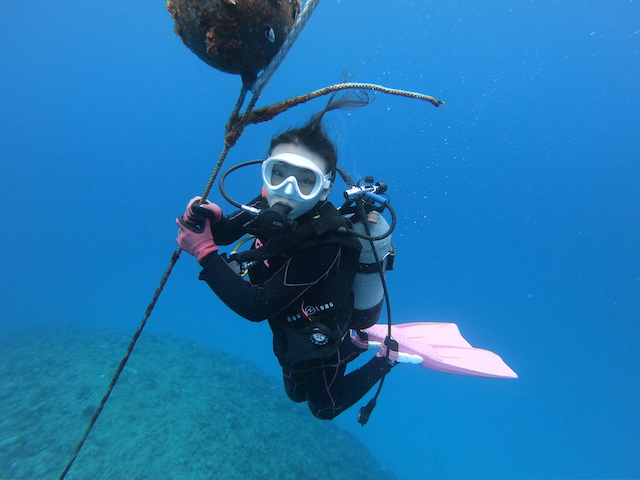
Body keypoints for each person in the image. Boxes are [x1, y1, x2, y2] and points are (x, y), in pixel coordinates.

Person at [176, 98, 411, 420]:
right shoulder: (267, 199)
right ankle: (356, 347)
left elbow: (256, 306)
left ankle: (385, 360)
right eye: (278, 174)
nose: (286, 191)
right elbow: (226, 233)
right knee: (295, 393)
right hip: (287, 327)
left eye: (305, 181)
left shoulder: (327, 243)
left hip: (317, 336)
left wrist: (204, 253)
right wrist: (214, 220)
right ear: (267, 172)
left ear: (324, 190)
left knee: (323, 408)